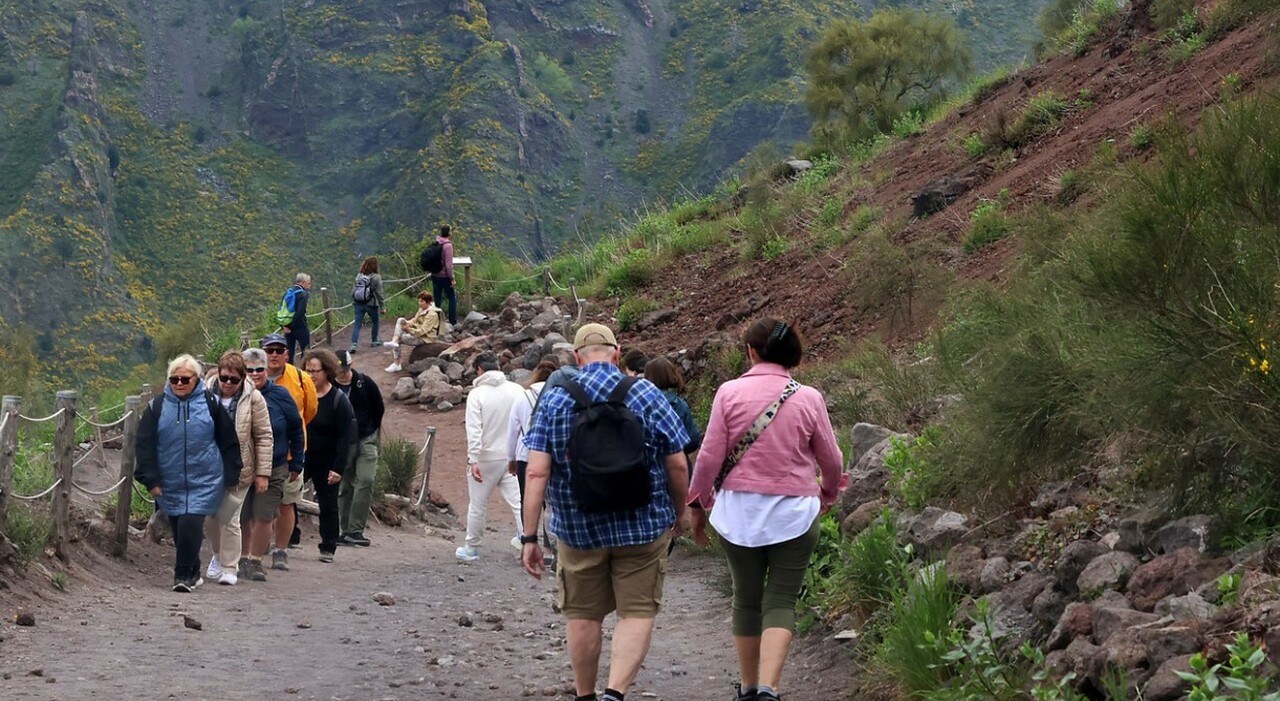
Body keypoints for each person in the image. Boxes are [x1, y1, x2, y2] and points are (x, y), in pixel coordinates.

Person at [521, 324, 690, 701]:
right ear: (617, 352)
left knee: (583, 614)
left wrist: (530, 536)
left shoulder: (555, 399)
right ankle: (615, 693)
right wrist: (681, 514)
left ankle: (585, 695)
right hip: (643, 527)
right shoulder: (646, 393)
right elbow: (677, 464)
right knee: (636, 612)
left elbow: (535, 470)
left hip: (579, 529)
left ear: (577, 357)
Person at [687, 318, 846, 701]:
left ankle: (747, 687)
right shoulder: (808, 398)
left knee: (746, 598)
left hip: (737, 513)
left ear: (751, 352)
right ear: (794, 353)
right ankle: (769, 689)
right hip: (795, 513)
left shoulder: (728, 393)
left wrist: (698, 504)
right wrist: (826, 494)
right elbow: (832, 459)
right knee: (781, 601)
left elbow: (709, 457)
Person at [134, 354, 241, 592]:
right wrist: (150, 479)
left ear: (197, 379)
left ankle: (181, 577)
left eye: (185, 379)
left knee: (191, 523)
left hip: (205, 479)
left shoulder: (211, 404)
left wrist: (231, 475)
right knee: (179, 526)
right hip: (169, 481)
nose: (179, 383)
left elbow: (228, 440)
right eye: (174, 379)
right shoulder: (157, 407)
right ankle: (193, 570)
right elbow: (144, 445)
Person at [202, 351, 272, 586]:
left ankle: (230, 568)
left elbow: (263, 436)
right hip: (209, 468)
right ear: (218, 375)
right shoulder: (203, 394)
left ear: (242, 378)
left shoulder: (254, 398)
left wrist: (263, 473)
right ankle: (218, 556)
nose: (228, 384)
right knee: (210, 518)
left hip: (240, 468)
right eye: (224, 378)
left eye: (234, 379)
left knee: (230, 517)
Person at [238, 348, 304, 583]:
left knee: (265, 514)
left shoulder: (281, 396)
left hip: (275, 465)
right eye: (249, 369)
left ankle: (256, 560)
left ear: (267, 370)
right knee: (243, 514)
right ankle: (242, 558)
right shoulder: (234, 394)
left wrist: (297, 461)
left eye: (259, 369)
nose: (254, 374)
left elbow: (296, 428)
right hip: (242, 465)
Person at [456, 352, 526, 561]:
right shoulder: (518, 390)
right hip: (513, 455)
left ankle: (471, 546)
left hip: (486, 457)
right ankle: (526, 539)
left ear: (479, 370)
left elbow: (474, 430)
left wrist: (473, 459)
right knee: (519, 501)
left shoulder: (477, 395)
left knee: (478, 504)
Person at [262, 333, 317, 572]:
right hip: (258, 455)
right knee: (257, 505)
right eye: (269, 350)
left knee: (286, 503)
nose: (274, 354)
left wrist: (294, 443)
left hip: (290, 454)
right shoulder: (249, 378)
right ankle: (256, 548)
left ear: (287, 353)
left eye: (278, 350)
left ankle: (281, 549)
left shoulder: (301, 379)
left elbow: (310, 411)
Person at [301, 349, 356, 562]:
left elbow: (345, 436)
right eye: (308, 371)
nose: (312, 375)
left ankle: (328, 546)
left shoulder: (338, 400)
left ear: (327, 371)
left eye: (316, 371)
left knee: (328, 504)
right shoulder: (301, 395)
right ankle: (291, 537)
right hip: (303, 455)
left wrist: (338, 467)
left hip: (327, 458)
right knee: (287, 496)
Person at [333, 349, 384, 546]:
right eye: (339, 370)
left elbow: (378, 407)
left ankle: (356, 529)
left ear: (351, 364)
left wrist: (371, 429)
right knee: (344, 485)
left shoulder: (365, 383)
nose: (342, 373)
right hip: (344, 441)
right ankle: (344, 529)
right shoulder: (331, 386)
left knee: (366, 480)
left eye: (345, 369)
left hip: (366, 438)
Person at [384, 290, 442, 373]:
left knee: (401, 339)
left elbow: (423, 331)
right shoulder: (422, 309)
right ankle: (394, 340)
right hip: (417, 331)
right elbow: (415, 319)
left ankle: (397, 364)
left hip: (426, 337)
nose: (420, 303)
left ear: (427, 302)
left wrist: (409, 330)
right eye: (419, 301)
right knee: (400, 320)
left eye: (421, 301)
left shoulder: (432, 314)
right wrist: (408, 324)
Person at [349, 256, 386, 353]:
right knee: (375, 322)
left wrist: (355, 300)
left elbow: (353, 290)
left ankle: (353, 344)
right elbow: (379, 293)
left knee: (357, 324)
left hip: (358, 303)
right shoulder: (376, 277)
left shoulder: (359, 276)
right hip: (371, 304)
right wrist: (382, 307)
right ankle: (374, 340)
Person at [281, 273, 312, 364]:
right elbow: (300, 312)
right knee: (305, 351)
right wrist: (293, 325)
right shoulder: (303, 294)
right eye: (308, 283)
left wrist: (285, 326)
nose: (309, 286)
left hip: (287, 327)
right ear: (303, 282)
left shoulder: (288, 292)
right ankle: (304, 372)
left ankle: (289, 373)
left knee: (289, 352)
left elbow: (281, 310)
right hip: (300, 327)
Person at [430, 225, 458, 326]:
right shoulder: (448, 246)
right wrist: (452, 278)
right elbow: (448, 265)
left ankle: (436, 322)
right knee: (452, 297)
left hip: (434, 275)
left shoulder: (436, 242)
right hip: (444, 276)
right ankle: (452, 321)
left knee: (437, 299)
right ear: (449, 233)